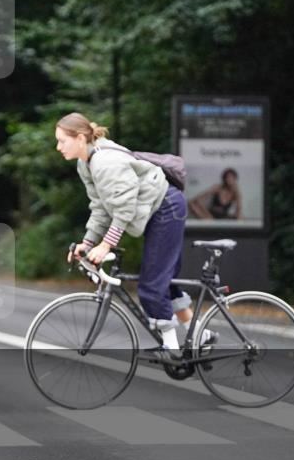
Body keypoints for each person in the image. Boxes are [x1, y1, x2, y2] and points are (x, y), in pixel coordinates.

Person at [55, 113, 215, 358]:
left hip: (166, 208)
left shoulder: (105, 163)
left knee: (151, 287)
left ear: (79, 138)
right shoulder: (85, 164)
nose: (58, 147)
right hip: (154, 210)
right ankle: (201, 336)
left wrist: (106, 245)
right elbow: (100, 207)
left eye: (61, 141)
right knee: (165, 280)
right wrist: (87, 243)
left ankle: (172, 351)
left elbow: (124, 208)